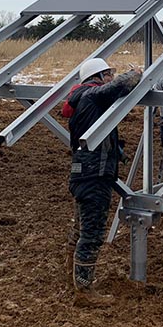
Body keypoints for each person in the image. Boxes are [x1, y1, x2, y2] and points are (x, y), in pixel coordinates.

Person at [62, 57, 142, 306]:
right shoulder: (92, 95)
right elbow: (117, 87)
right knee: (93, 233)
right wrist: (135, 73)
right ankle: (84, 292)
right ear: (99, 76)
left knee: (81, 229)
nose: (110, 78)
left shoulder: (80, 100)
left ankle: (72, 276)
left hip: (82, 172)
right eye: (108, 74)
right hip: (94, 174)